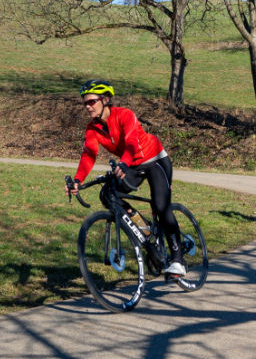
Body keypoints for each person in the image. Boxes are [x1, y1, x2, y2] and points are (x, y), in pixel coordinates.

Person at [65, 79, 186, 277]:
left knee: (161, 205)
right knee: (108, 195)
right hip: (131, 165)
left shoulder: (125, 115)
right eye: (85, 103)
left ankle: (178, 259)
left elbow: (131, 142)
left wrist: (123, 163)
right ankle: (145, 230)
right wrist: (78, 180)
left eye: (92, 102)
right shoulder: (92, 128)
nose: (87, 106)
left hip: (154, 159)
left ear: (105, 100)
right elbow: (89, 155)